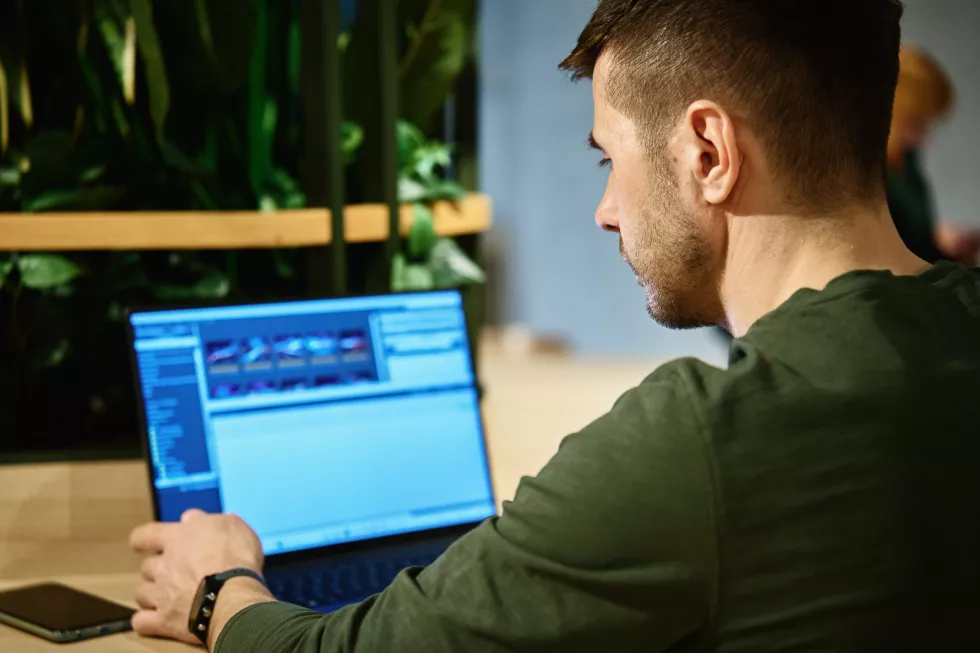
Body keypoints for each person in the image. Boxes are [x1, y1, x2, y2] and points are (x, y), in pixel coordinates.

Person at [128, 1, 980, 651]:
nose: (607, 210)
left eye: (611, 159)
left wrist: (217, 588)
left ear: (708, 155)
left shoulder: (706, 437)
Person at [887, 46, 980, 265]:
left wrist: (945, 247)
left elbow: (918, 239)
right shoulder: (865, 174)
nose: (924, 138)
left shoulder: (908, 159)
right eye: (917, 124)